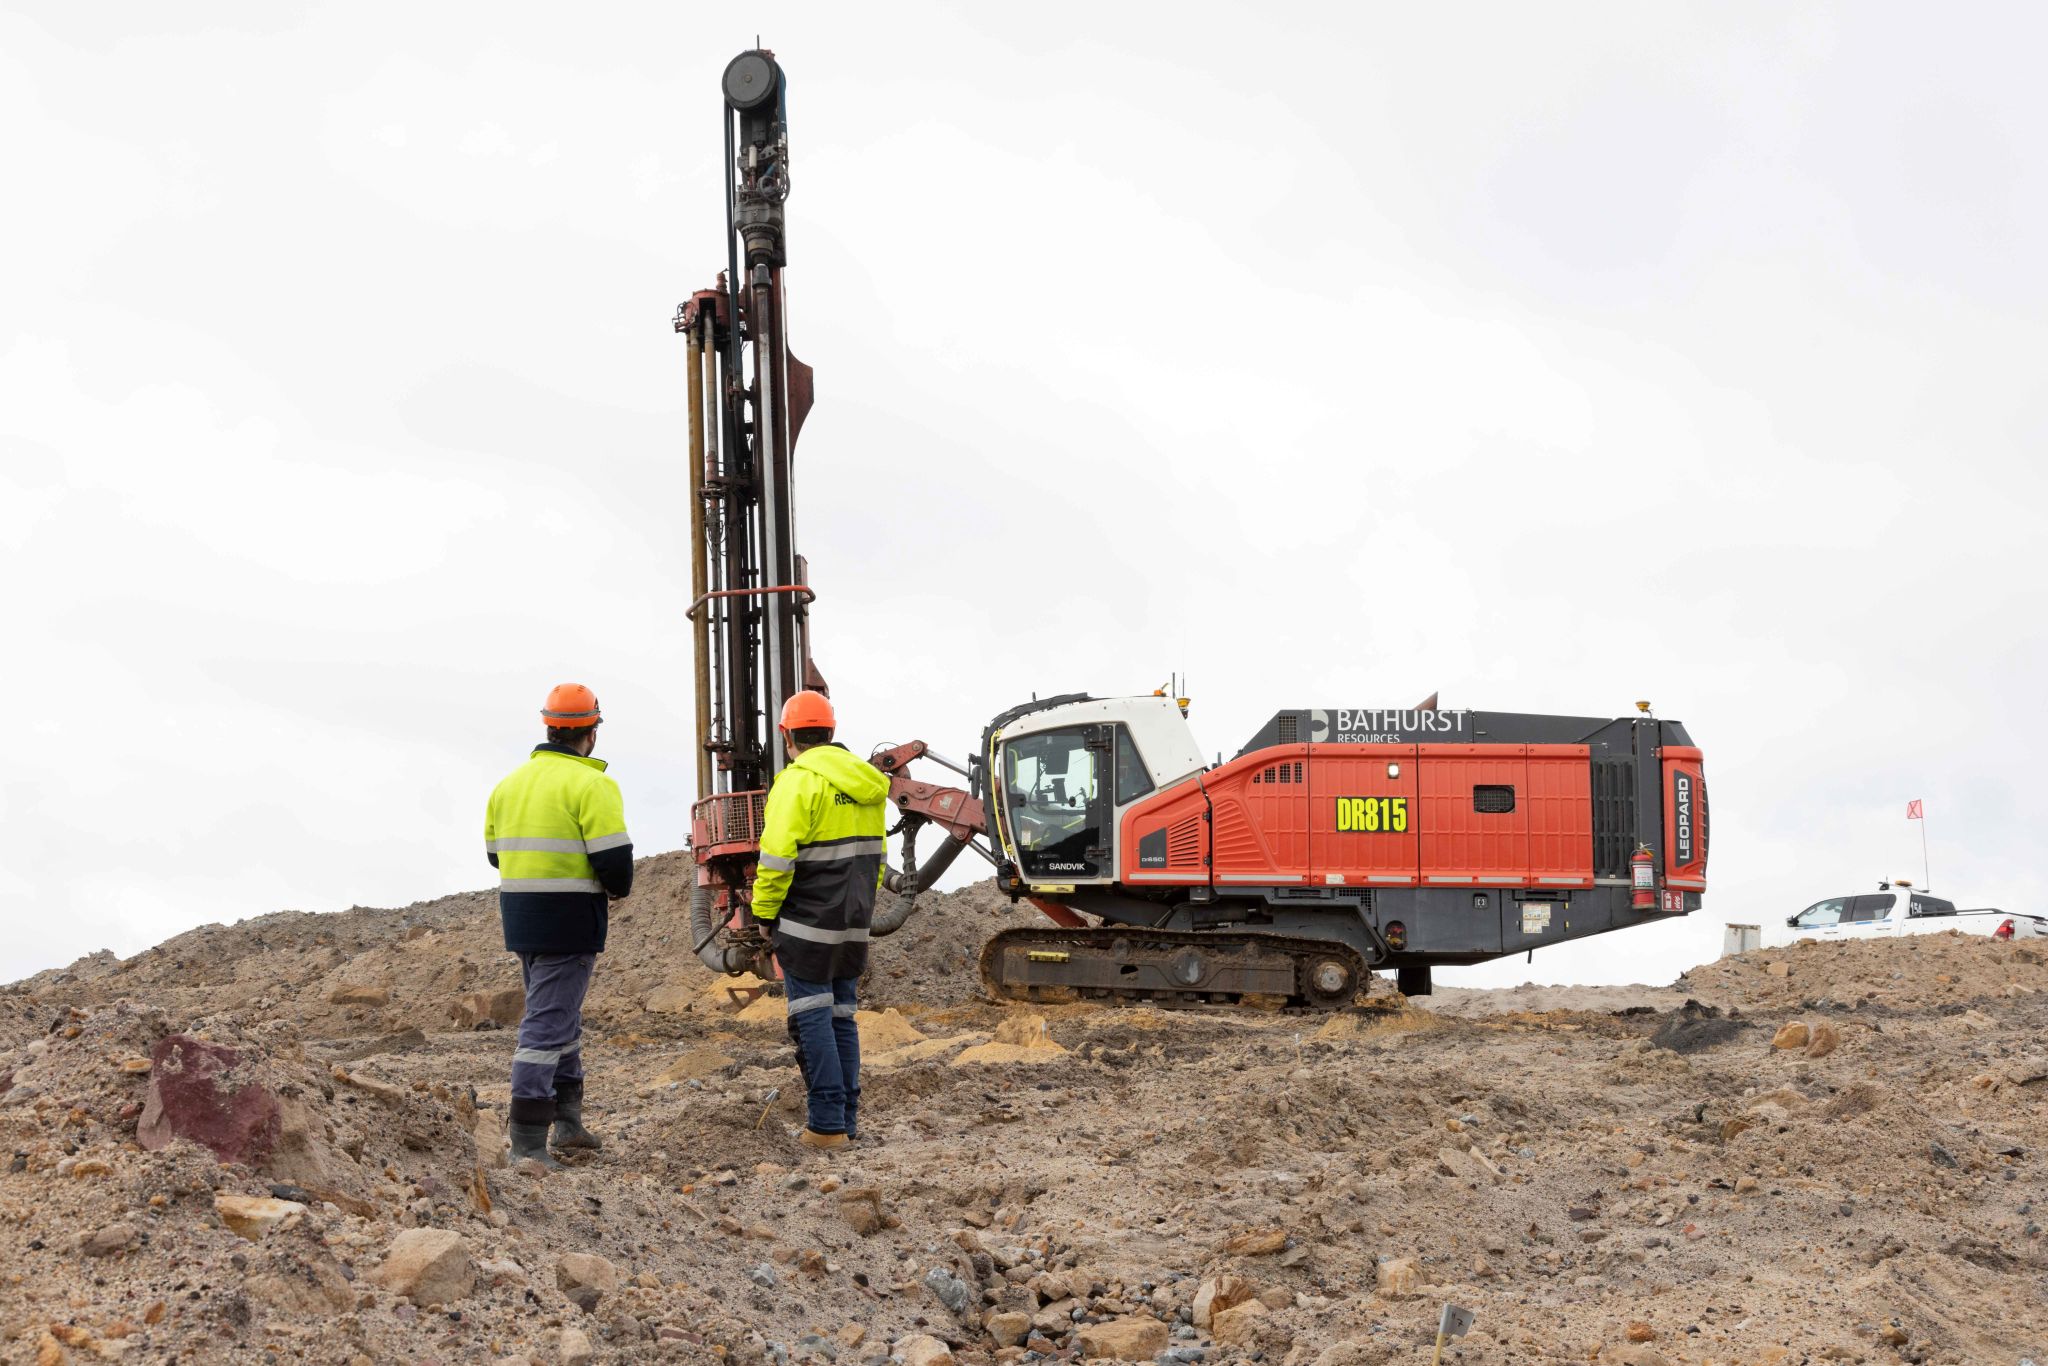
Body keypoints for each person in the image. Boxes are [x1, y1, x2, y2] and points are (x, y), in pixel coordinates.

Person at [484, 683, 633, 1169]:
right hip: (569, 920)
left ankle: (569, 1122)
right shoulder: (592, 785)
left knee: (559, 1016)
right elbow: (615, 865)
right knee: (546, 1025)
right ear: (591, 732)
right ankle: (527, 1140)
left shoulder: (509, 785)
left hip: (522, 918)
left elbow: (494, 854)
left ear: (549, 727)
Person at [750, 690, 889, 1150]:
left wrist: (764, 915)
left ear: (787, 736)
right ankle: (845, 1123)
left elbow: (775, 861)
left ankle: (826, 1126)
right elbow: (877, 859)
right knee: (842, 1018)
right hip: (852, 922)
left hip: (806, 923)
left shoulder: (795, 783)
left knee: (811, 1019)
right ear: (831, 732)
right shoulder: (868, 786)